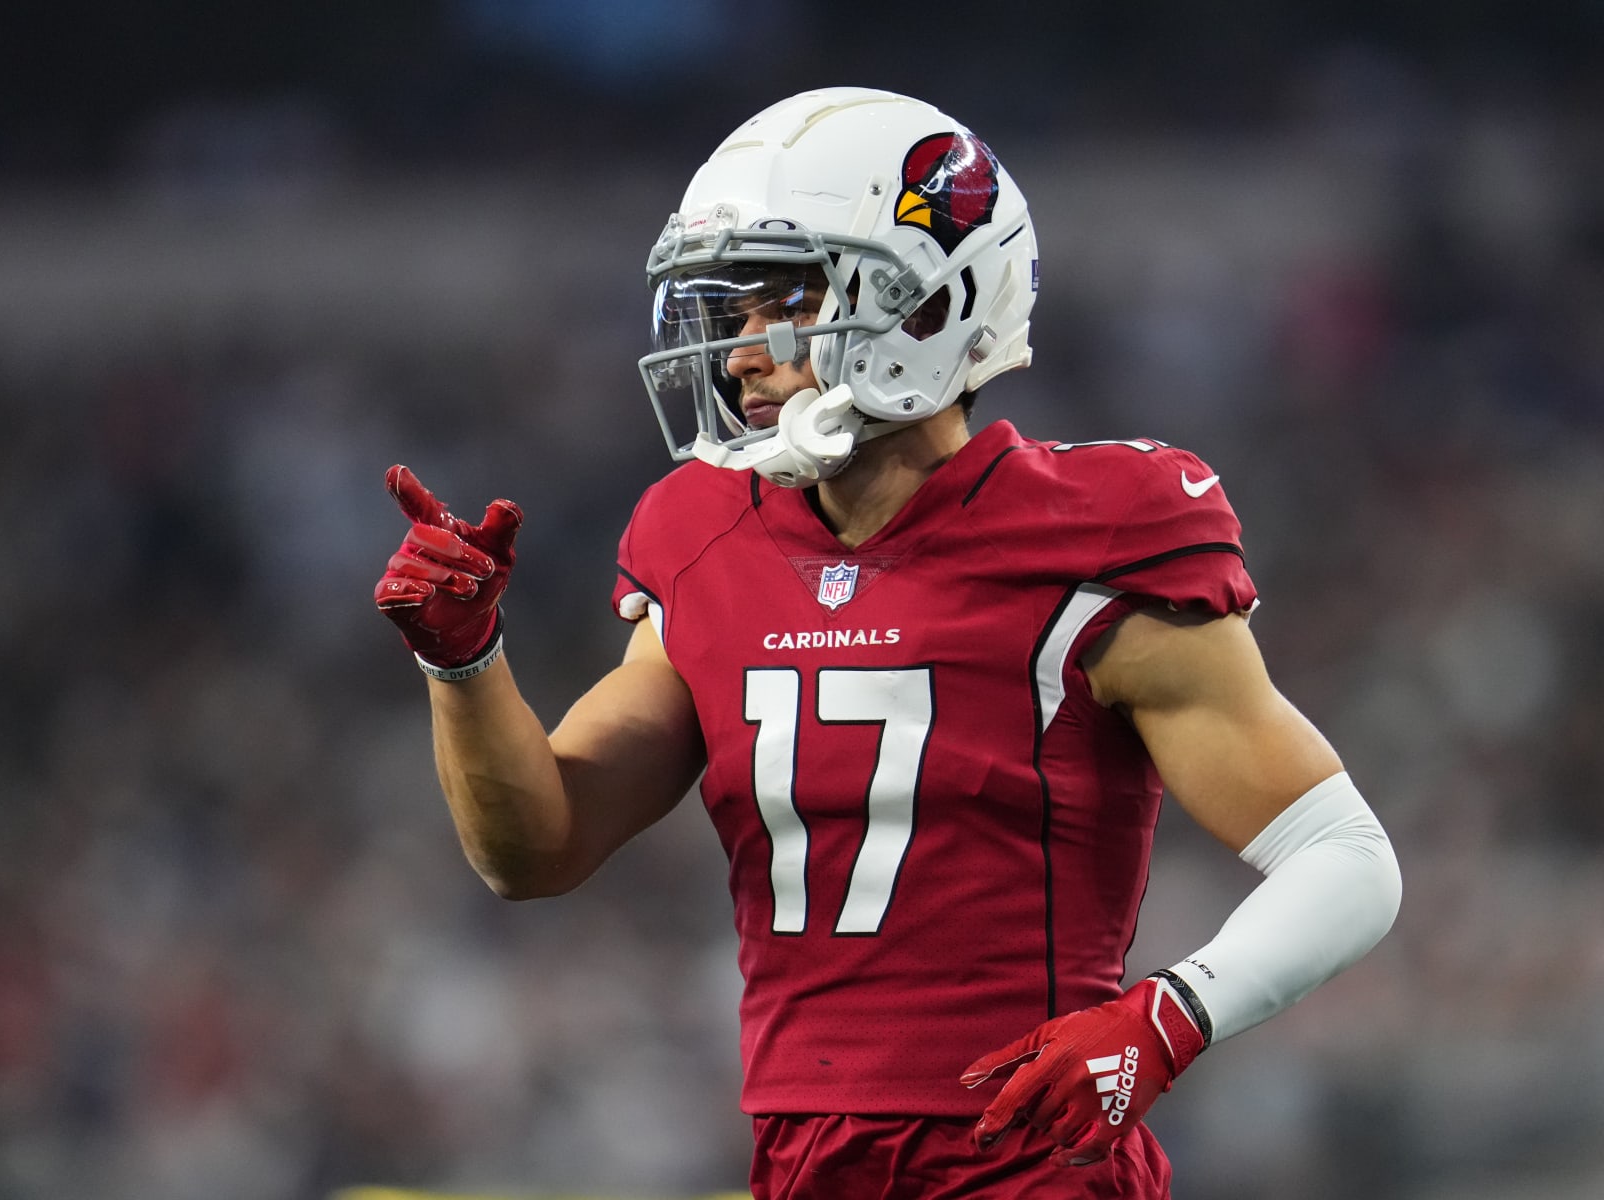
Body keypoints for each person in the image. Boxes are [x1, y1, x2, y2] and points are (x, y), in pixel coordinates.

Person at [372, 87, 1401, 1199]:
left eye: (779, 302)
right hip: (802, 1159)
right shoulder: (700, 532)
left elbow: (1346, 858)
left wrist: (1168, 1016)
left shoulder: (1095, 528)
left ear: (927, 302)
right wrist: (464, 662)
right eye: (728, 309)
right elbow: (537, 850)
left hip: (1025, 1155)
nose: (740, 354)